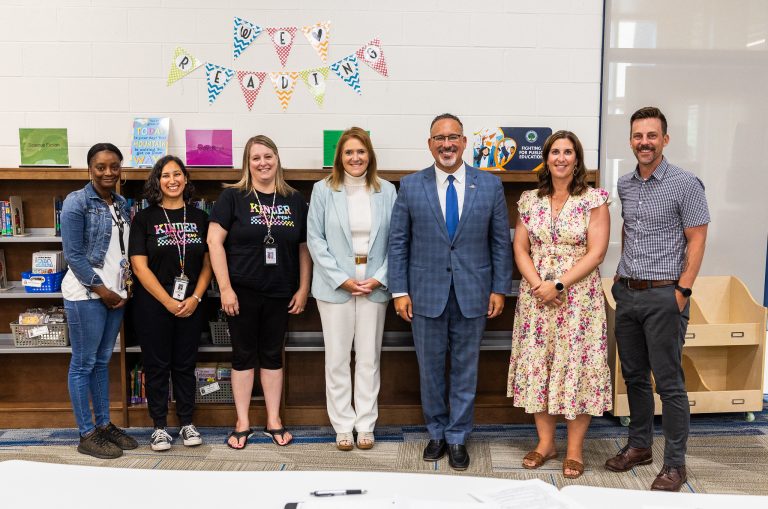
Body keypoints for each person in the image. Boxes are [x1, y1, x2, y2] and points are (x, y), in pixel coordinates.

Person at [388, 113, 513, 471]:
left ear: (463, 142)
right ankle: (437, 432)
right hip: (424, 293)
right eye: (439, 138)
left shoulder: (488, 186)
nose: (446, 144)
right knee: (429, 369)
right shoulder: (411, 186)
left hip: (474, 292)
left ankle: (458, 436)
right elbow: (399, 243)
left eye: (453, 137)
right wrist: (399, 290)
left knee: (465, 368)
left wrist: (499, 289)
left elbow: (499, 243)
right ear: (430, 144)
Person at [604, 107, 709, 491]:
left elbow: (697, 238)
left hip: (666, 295)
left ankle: (675, 466)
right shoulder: (625, 184)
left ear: (665, 139)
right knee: (633, 377)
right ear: (631, 141)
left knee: (669, 383)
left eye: (651, 135)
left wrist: (682, 290)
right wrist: (620, 272)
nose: (644, 142)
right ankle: (639, 446)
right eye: (637, 136)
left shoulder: (686, 184)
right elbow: (630, 229)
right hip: (628, 293)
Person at [506, 130, 611, 479]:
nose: (561, 158)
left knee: (576, 368)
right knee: (542, 367)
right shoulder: (529, 200)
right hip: (537, 300)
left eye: (568, 152)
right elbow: (520, 247)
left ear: (577, 160)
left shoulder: (593, 200)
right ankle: (545, 443)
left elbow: (597, 252)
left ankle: (576, 449)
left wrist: (559, 284)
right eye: (555, 152)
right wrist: (539, 285)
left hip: (578, 299)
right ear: (546, 158)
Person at [207, 135, 311, 449]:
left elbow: (304, 247)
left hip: (281, 291)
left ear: (277, 159)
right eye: (256, 158)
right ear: (247, 163)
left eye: (268, 156)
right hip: (241, 292)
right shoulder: (233, 197)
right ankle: (242, 422)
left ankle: (273, 420)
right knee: (242, 356)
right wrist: (225, 288)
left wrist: (304, 287)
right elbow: (214, 242)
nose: (262, 163)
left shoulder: (293, 198)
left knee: (271, 356)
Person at [307, 127, 397, 451]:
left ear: (370, 155)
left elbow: (395, 242)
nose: (355, 157)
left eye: (361, 151)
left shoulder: (386, 191)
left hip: (375, 283)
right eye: (349, 152)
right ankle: (343, 425)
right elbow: (315, 240)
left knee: (369, 358)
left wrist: (379, 277)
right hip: (335, 286)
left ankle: (366, 424)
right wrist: (341, 278)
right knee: (337, 358)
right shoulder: (323, 190)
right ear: (340, 157)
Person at [128, 155, 213, 451]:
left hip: (192, 302)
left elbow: (208, 264)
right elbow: (139, 267)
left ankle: (187, 423)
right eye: (166, 175)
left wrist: (196, 297)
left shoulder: (201, 218)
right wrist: (166, 301)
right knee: (156, 365)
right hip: (153, 303)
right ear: (157, 181)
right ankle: (159, 427)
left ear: (186, 179)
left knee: (185, 364)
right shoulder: (144, 218)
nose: (173, 180)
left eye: (178, 174)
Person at [61, 143, 139, 459]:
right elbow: (74, 255)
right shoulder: (76, 202)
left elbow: (121, 252)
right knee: (83, 363)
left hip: (115, 296)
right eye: (101, 167)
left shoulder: (120, 203)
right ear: (90, 168)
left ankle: (104, 425)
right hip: (87, 296)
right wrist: (102, 290)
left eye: (114, 166)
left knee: (102, 362)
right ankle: (86, 433)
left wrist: (124, 288)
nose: (108, 172)